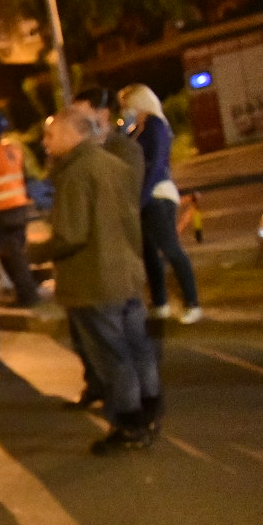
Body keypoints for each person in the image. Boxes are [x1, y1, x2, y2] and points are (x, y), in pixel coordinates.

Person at [30, 109, 162, 454]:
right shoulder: (115, 166)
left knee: (112, 356)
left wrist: (32, 252)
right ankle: (150, 410)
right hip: (127, 272)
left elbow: (71, 234)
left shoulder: (76, 173)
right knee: (138, 348)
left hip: (94, 279)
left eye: (51, 135)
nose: (45, 143)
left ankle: (130, 425)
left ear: (75, 134)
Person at [64, 89, 145, 409]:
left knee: (118, 342)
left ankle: (133, 413)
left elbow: (126, 201)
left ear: (103, 114)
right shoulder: (70, 158)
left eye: (83, 116)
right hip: (82, 266)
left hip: (111, 260)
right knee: (86, 337)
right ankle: (97, 387)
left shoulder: (122, 151)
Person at [121, 83, 202, 324]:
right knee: (149, 253)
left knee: (170, 248)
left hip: (157, 195)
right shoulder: (137, 127)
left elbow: (155, 167)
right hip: (143, 197)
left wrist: (141, 199)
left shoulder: (156, 125)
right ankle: (160, 303)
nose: (125, 109)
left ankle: (192, 303)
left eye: (127, 104)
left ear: (140, 102)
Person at [0, 112, 43, 307]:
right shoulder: (13, 151)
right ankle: (25, 293)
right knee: (15, 253)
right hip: (18, 209)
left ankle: (28, 296)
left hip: (0, 213)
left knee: (11, 256)